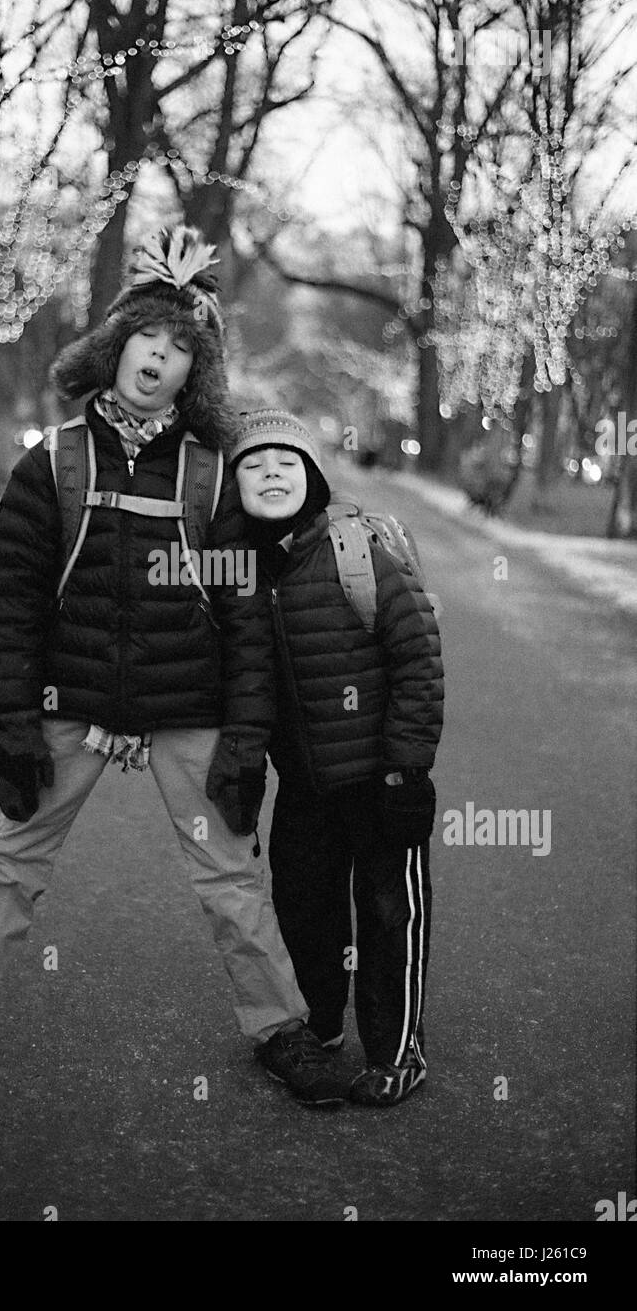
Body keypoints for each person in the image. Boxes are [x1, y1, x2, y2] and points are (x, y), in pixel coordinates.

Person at [0, 228, 351, 1107]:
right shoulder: (52, 462)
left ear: (192, 372)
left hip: (188, 702)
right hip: (71, 693)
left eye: (176, 350)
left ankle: (280, 1026)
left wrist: (245, 738)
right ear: (114, 348)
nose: (156, 361)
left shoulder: (210, 475)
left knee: (229, 874)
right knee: (14, 854)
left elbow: (244, 617)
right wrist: (14, 722)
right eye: (145, 342)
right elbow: (11, 603)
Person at [231, 409, 444, 1106]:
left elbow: (416, 658)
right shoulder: (243, 571)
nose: (270, 474)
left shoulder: (357, 551)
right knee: (305, 907)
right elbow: (244, 683)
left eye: (286, 463)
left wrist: (407, 767)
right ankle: (319, 1024)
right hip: (305, 788)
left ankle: (396, 1051)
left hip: (379, 780)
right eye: (253, 465)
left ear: (314, 478)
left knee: (389, 916)